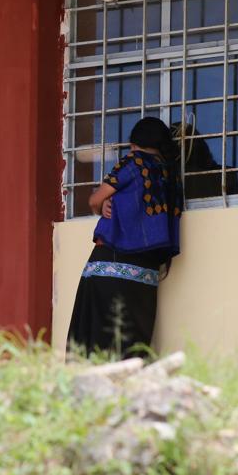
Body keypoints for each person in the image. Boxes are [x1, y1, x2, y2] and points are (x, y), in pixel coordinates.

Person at [67, 117, 183, 357]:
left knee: (96, 343)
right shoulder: (170, 173)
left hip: (110, 263)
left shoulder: (134, 162)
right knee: (133, 343)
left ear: (134, 143)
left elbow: (94, 200)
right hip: (147, 272)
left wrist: (103, 204)